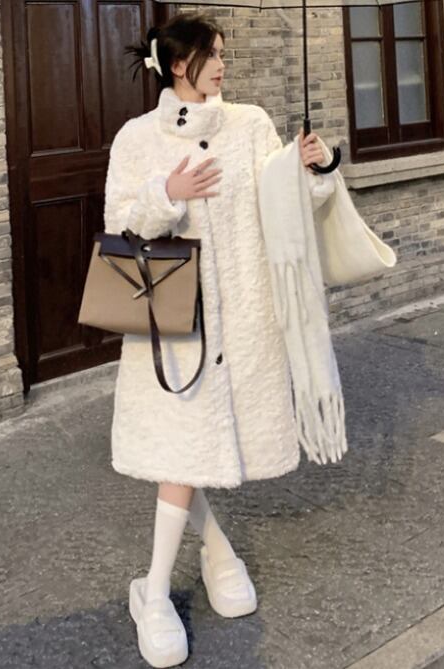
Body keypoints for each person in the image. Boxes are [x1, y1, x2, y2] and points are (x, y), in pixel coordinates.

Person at [106, 12, 336, 668]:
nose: (224, 66)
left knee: (191, 450)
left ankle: (216, 550)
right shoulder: (136, 138)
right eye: (214, 55)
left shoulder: (250, 125)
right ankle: (153, 592)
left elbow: (290, 205)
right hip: (172, 324)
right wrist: (167, 193)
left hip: (241, 322)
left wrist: (317, 167)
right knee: (184, 448)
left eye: (224, 54)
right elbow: (119, 225)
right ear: (180, 65)